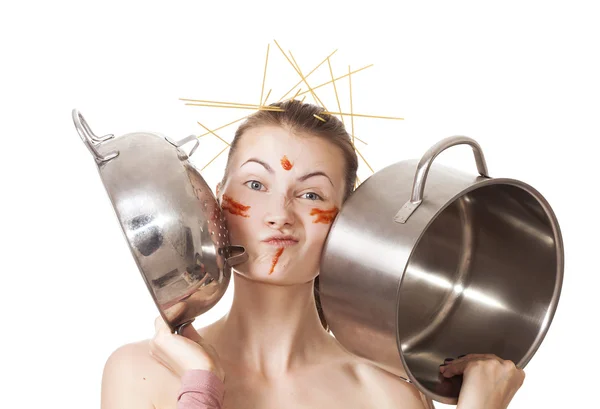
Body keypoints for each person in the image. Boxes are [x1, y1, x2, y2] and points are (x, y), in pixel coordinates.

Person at [101, 100, 525, 409]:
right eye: (255, 185)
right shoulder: (141, 372)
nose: (278, 215)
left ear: (350, 220)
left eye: (310, 194)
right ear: (214, 200)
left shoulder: (388, 395)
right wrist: (201, 385)